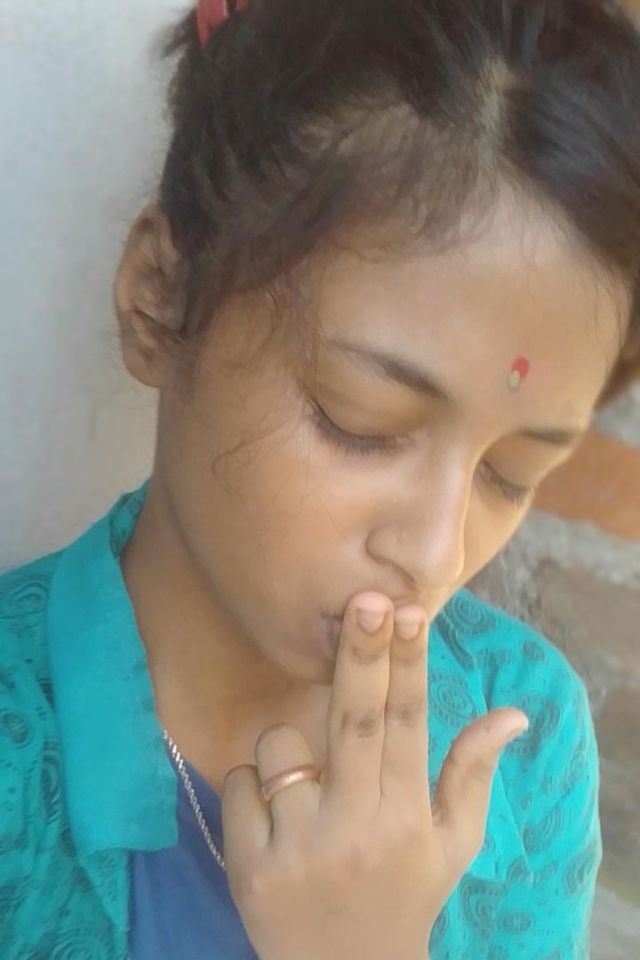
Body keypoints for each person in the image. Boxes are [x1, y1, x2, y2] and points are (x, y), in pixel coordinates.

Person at [2, 0, 639, 957]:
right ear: (160, 299)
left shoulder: (523, 735)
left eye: (512, 475)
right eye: (359, 422)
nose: (436, 554)